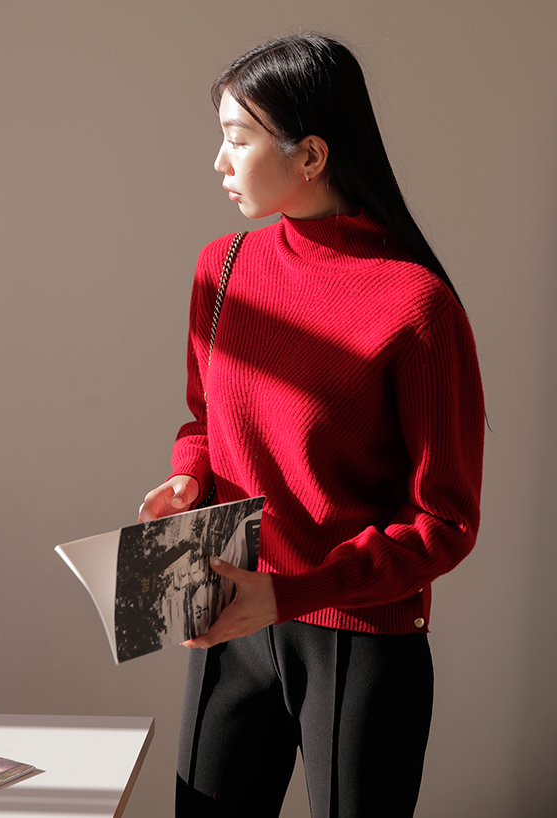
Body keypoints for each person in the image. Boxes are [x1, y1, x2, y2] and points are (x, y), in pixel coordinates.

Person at [138, 32, 484, 818]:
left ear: (312, 156)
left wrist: (296, 592)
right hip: (230, 614)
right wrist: (188, 476)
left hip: (359, 636)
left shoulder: (417, 306)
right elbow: (205, 420)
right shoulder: (223, 269)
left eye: (237, 139)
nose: (219, 162)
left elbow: (446, 523)